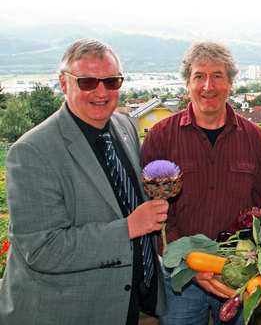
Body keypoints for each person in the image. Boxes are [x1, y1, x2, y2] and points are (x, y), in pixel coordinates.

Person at [0, 38, 169, 324]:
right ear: (64, 84)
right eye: (87, 82)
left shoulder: (125, 126)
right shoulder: (31, 152)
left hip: (126, 303)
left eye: (111, 81)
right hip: (66, 312)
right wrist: (128, 228)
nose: (101, 92)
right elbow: (42, 249)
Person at [141, 40, 261, 325]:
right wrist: (190, 260)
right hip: (179, 277)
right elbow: (150, 211)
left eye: (218, 76)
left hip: (239, 276)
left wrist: (245, 259)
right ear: (187, 84)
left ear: (230, 83)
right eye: (199, 77)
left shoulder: (255, 138)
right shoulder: (161, 137)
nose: (209, 86)